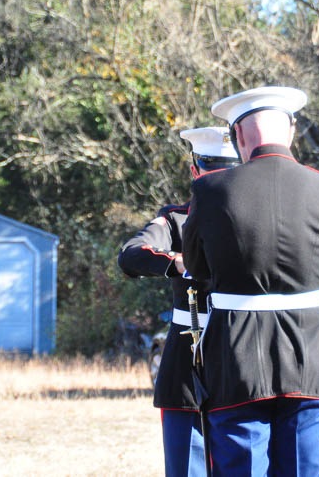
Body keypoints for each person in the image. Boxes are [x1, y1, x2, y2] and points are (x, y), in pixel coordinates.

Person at [182, 86, 319, 476]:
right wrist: (310, 300)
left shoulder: (209, 191)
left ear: (238, 135)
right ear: (291, 130)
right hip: (312, 360)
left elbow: (198, 270)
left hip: (236, 359)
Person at [118, 126, 241, 477]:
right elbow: (131, 254)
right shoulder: (176, 219)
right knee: (189, 464)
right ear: (194, 170)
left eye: (228, 171)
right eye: (211, 169)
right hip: (187, 356)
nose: (219, 179)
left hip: (240, 350)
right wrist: (178, 262)